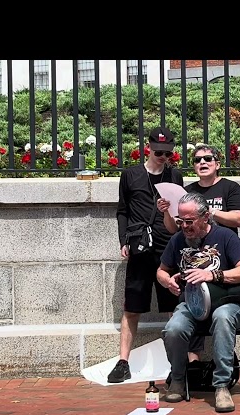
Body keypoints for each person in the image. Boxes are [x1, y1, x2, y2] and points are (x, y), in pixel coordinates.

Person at [157, 191, 240, 413]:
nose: (184, 226)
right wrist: (167, 281)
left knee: (222, 318)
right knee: (173, 328)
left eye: (189, 221)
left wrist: (213, 275)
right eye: (180, 221)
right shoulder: (178, 240)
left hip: (227, 303)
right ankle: (179, 380)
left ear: (205, 217)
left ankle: (221, 385)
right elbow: (161, 271)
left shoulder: (226, 237)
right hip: (192, 304)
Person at [107, 126, 184, 383]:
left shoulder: (174, 176)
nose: (163, 157)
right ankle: (123, 361)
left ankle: (177, 365)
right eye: (159, 152)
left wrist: (164, 210)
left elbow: (177, 217)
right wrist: (123, 240)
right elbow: (122, 210)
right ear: (148, 147)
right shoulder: (130, 175)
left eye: (168, 154)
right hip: (140, 246)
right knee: (133, 306)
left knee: (172, 306)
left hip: (166, 246)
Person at [159, 143, 240, 362]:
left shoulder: (230, 187)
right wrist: (167, 213)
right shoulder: (188, 191)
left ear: (217, 164)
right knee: (191, 301)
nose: (202, 163)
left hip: (224, 257)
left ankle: (223, 369)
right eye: (198, 160)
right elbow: (173, 228)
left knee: (223, 316)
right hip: (192, 256)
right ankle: (192, 366)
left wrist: (210, 213)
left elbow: (238, 218)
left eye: (208, 159)